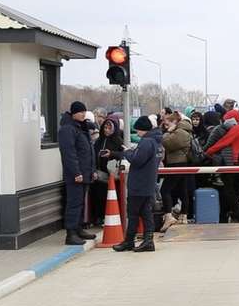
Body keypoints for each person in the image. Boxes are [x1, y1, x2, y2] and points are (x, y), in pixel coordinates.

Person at [104, 116, 163, 252]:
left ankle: (129, 241)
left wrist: (127, 152)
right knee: (145, 213)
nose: (137, 133)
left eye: (138, 130)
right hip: (148, 183)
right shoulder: (156, 142)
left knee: (133, 213)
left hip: (139, 184)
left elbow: (137, 160)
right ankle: (148, 241)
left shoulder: (146, 142)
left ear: (142, 129)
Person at [58, 101, 97, 246]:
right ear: (74, 112)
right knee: (74, 203)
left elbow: (88, 151)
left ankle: (79, 228)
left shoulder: (82, 127)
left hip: (85, 173)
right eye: (81, 112)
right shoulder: (68, 129)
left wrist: (92, 170)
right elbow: (69, 153)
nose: (83, 114)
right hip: (75, 174)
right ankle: (71, 233)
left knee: (81, 202)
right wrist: (76, 172)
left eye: (84, 112)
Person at [204, 110, 239, 222]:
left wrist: (208, 152)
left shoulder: (238, 129)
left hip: (231, 162)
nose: (226, 121)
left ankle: (236, 214)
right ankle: (233, 214)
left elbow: (223, 142)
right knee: (233, 190)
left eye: (228, 119)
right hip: (236, 162)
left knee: (229, 191)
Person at [158, 112, 194, 232]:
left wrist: (168, 132)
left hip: (177, 163)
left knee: (165, 190)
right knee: (182, 189)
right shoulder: (183, 131)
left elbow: (167, 143)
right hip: (179, 163)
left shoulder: (181, 132)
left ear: (176, 121)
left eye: (169, 122)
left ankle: (169, 216)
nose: (167, 125)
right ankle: (183, 215)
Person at [91, 117, 124, 226]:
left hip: (113, 174)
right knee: (99, 196)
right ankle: (99, 217)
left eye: (109, 128)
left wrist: (112, 154)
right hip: (100, 173)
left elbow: (123, 154)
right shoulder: (99, 141)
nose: (107, 130)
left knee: (111, 196)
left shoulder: (118, 141)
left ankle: (109, 216)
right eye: (105, 127)